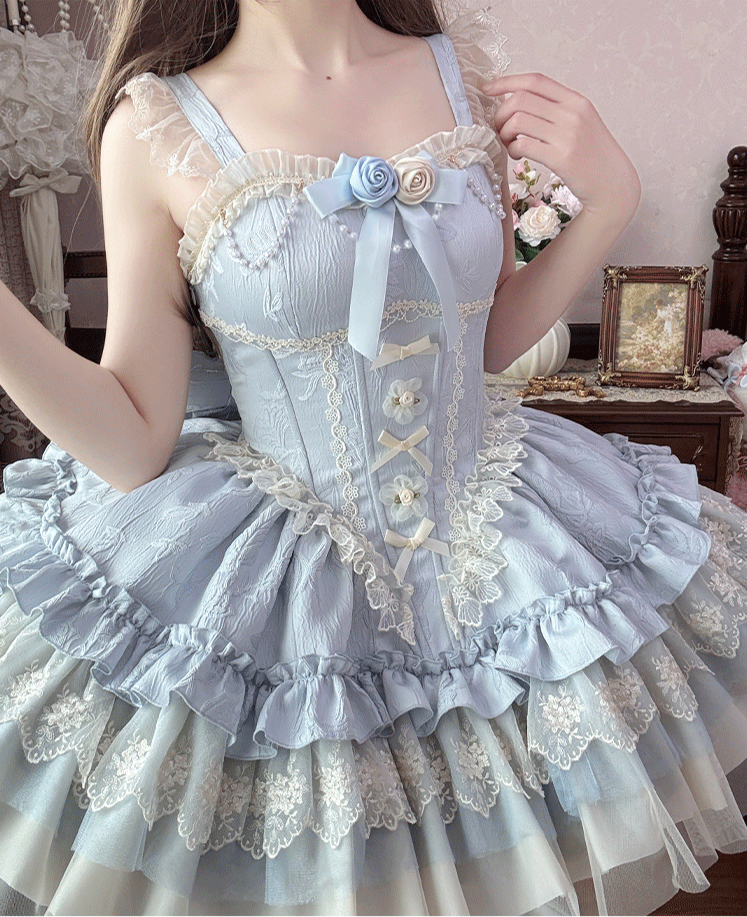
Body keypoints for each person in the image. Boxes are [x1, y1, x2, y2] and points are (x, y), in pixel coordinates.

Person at [0, 0, 746, 913]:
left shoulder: (460, 75)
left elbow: (486, 338)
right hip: (284, 588)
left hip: (501, 551)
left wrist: (610, 203)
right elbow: (131, 440)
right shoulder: (155, 126)